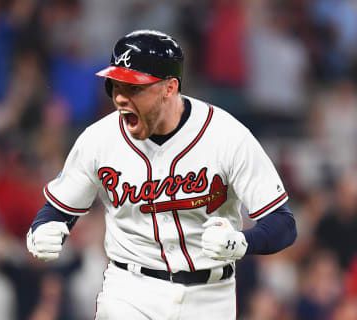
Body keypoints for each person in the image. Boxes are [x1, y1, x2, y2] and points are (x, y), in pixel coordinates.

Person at [26, 30, 297, 319]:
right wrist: (41, 229)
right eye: (116, 86)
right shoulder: (98, 140)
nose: (120, 98)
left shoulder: (227, 136)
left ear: (170, 88)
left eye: (134, 88)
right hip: (130, 290)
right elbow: (57, 210)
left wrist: (242, 242)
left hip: (210, 297)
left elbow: (283, 224)